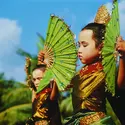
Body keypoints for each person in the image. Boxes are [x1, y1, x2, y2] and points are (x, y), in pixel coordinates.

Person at [65, 22, 125, 125]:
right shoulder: (80, 73)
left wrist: (123, 56)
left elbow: (119, 86)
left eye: (84, 45)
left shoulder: (104, 70)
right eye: (79, 45)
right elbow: (62, 84)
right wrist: (47, 63)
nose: (79, 50)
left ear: (101, 47)